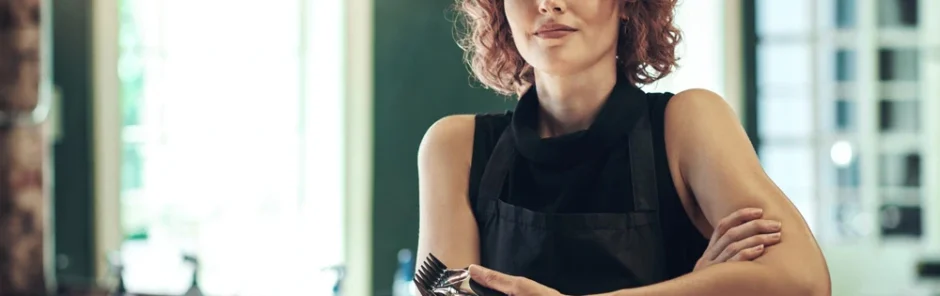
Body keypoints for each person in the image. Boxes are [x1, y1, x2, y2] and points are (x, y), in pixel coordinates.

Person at [416, 0, 831, 295]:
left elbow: (804, 282)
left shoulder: (688, 123)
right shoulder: (455, 149)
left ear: (629, 3)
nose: (548, 4)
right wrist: (695, 286)